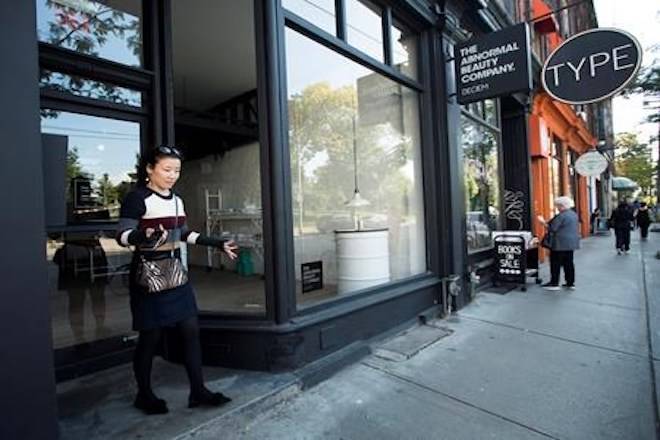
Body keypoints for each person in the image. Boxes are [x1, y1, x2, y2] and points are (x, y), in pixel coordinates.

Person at [116, 146, 239, 415]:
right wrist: (143, 236)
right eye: (166, 169)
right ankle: (144, 394)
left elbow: (183, 233)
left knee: (190, 331)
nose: (173, 175)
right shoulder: (137, 198)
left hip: (175, 270)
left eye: (177, 171)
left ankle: (198, 390)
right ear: (150, 168)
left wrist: (216, 243)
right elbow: (122, 235)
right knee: (151, 336)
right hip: (148, 274)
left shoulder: (176, 201)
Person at [537, 196, 580, 291]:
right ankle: (570, 283)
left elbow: (552, 228)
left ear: (562, 206)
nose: (557, 208)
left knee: (555, 263)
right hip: (571, 243)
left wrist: (542, 222)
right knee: (568, 263)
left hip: (559, 243)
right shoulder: (574, 214)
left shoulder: (561, 215)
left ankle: (554, 283)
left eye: (558, 206)